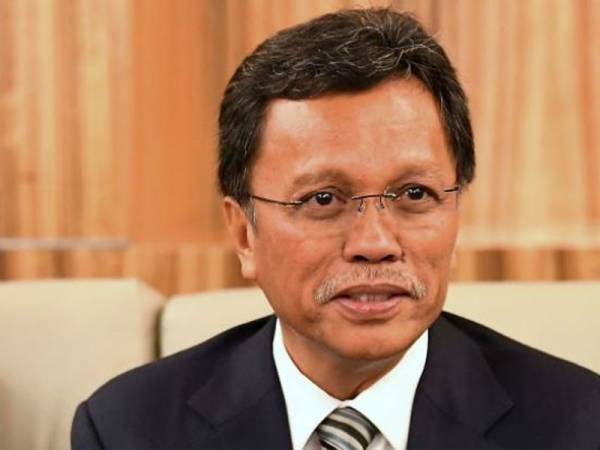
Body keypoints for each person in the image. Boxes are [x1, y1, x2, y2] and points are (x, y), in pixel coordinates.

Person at [72, 8, 600, 449]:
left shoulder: (579, 424)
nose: (375, 244)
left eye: (415, 194)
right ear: (244, 235)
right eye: (323, 199)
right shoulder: (127, 430)